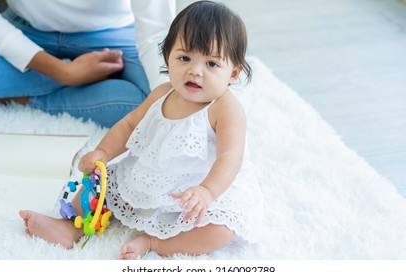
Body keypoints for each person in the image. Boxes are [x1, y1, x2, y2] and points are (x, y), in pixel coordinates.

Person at [19, 0, 264, 259]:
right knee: (96, 187)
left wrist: (207, 191)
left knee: (220, 230)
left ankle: (154, 243)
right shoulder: (162, 93)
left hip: (197, 191)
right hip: (151, 175)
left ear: (233, 73)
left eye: (211, 64)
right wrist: (103, 152)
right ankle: (69, 227)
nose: (195, 70)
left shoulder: (225, 109)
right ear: (167, 56)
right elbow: (128, 124)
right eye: (184, 58)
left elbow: (230, 157)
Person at [0, 0, 175, 128]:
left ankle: (20, 97)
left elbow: (156, 34)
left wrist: (167, 102)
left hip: (115, 34)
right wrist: (64, 73)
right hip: (25, 30)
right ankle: (91, 80)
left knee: (160, 105)